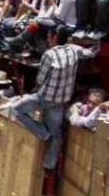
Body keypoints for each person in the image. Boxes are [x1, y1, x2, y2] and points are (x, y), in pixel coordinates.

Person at [12, 27, 98, 170]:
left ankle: (42, 133)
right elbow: (90, 52)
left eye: (48, 36)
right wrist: (98, 43)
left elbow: (40, 79)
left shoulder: (49, 54)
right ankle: (49, 164)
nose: (47, 39)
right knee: (57, 135)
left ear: (55, 37)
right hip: (60, 101)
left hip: (44, 98)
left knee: (16, 110)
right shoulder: (74, 49)